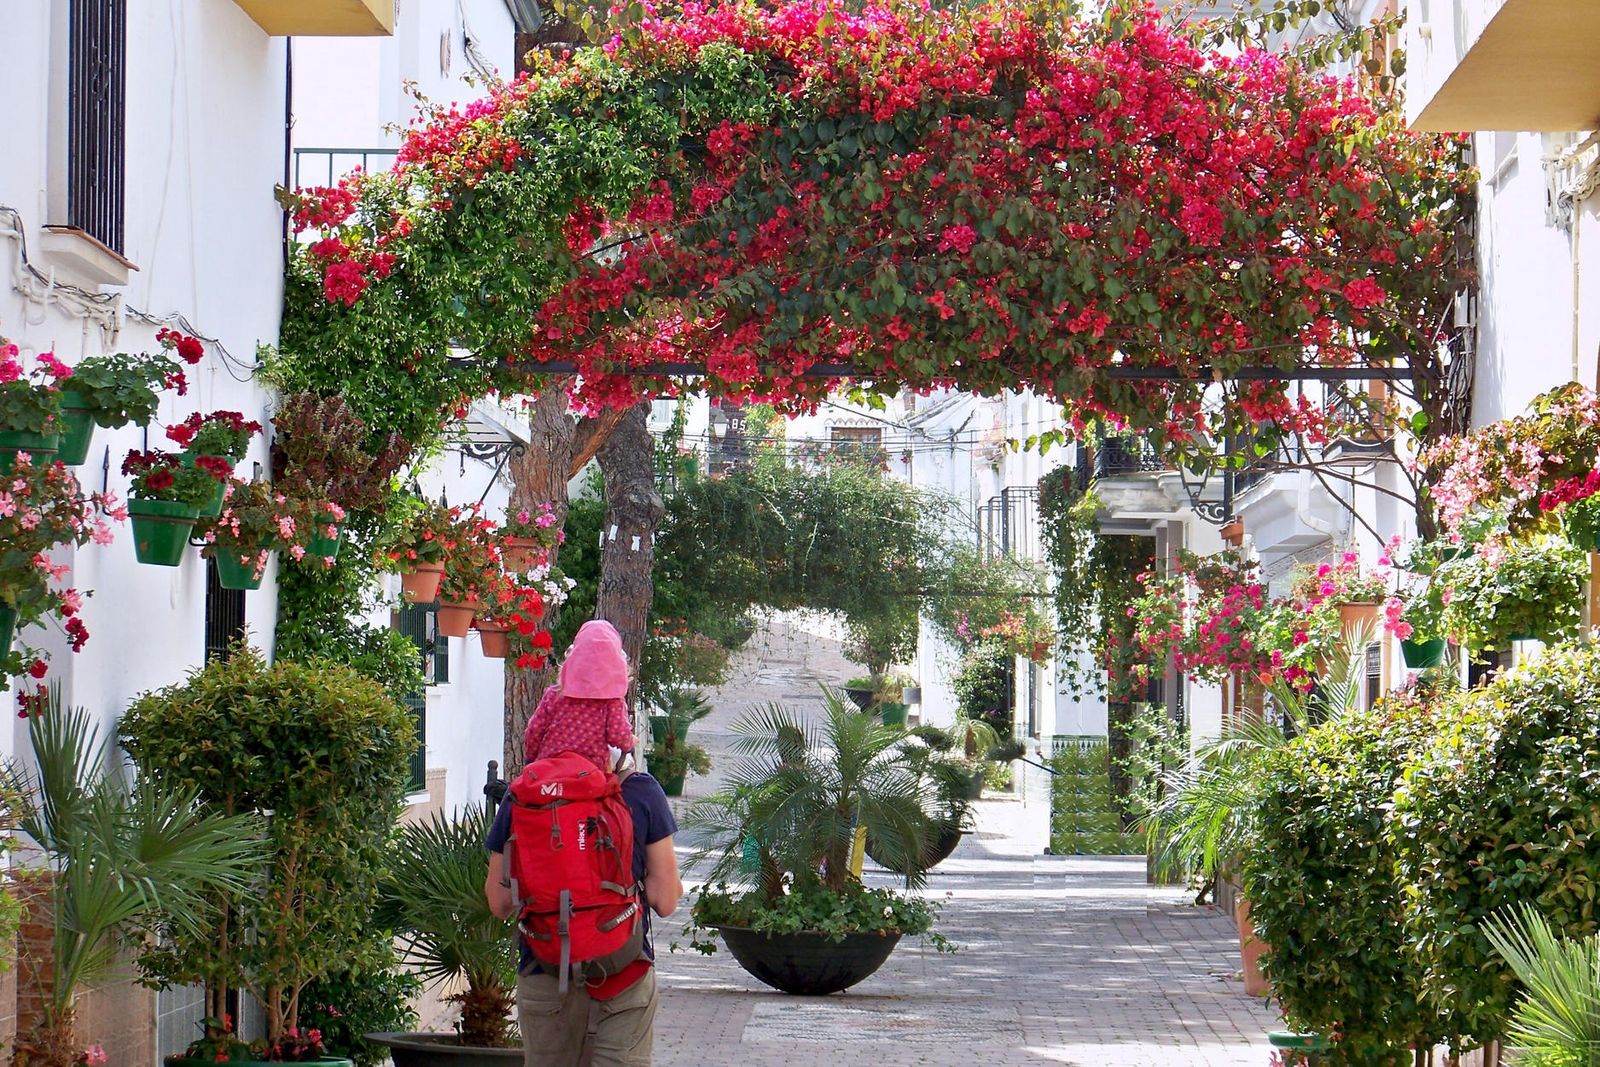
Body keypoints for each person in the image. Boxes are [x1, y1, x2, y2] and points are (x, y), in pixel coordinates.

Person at [484, 748, 681, 1067]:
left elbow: (499, 902)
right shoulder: (639, 789)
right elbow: (666, 900)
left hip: (545, 967)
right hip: (623, 968)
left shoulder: (524, 794)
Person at [522, 620, 637, 771]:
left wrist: (531, 758)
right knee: (626, 778)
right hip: (591, 771)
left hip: (550, 768)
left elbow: (534, 730)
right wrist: (630, 742)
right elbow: (618, 735)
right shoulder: (612, 701)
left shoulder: (555, 694)